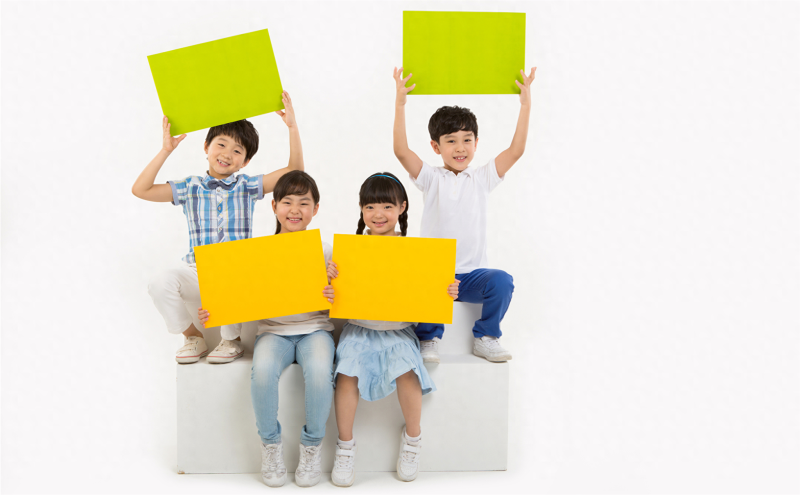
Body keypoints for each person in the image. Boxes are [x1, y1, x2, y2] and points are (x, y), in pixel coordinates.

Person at [133, 91, 304, 364]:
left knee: (232, 262)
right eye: (221, 144)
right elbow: (140, 189)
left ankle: (231, 339)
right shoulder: (189, 187)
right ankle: (193, 337)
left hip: (234, 274)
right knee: (159, 282)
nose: (227, 154)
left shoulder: (247, 186)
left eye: (237, 151)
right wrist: (166, 149)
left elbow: (296, 173)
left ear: (245, 161)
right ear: (206, 147)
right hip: (198, 271)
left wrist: (292, 128)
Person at [391, 66, 537, 363]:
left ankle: (486, 337)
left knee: (502, 281)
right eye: (451, 141)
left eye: (467, 140)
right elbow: (401, 151)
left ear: (476, 143)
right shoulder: (431, 178)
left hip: (472, 277)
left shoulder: (482, 178)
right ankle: (428, 339)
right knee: (423, 275)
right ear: (436, 146)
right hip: (437, 275)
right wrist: (400, 104)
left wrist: (525, 105)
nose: (460, 148)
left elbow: (516, 150)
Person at [199, 171, 335, 488]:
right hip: (273, 332)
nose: (295, 209)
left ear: (315, 209)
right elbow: (235, 294)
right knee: (261, 373)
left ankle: (312, 447)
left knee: (319, 373)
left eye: (304, 202)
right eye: (287, 202)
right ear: (274, 206)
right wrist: (213, 310)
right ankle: (270, 446)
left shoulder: (325, 250)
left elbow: (345, 298)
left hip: (315, 330)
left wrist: (334, 290)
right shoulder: (258, 252)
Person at [327, 172, 459, 486]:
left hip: (398, 332)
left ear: (401, 207)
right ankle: (345, 446)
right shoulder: (350, 251)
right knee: (346, 376)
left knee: (407, 373)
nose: (379, 214)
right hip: (359, 330)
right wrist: (330, 279)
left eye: (387, 206)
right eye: (370, 206)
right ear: (361, 210)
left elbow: (429, 289)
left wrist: (446, 290)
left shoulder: (414, 251)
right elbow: (334, 293)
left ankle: (413, 439)